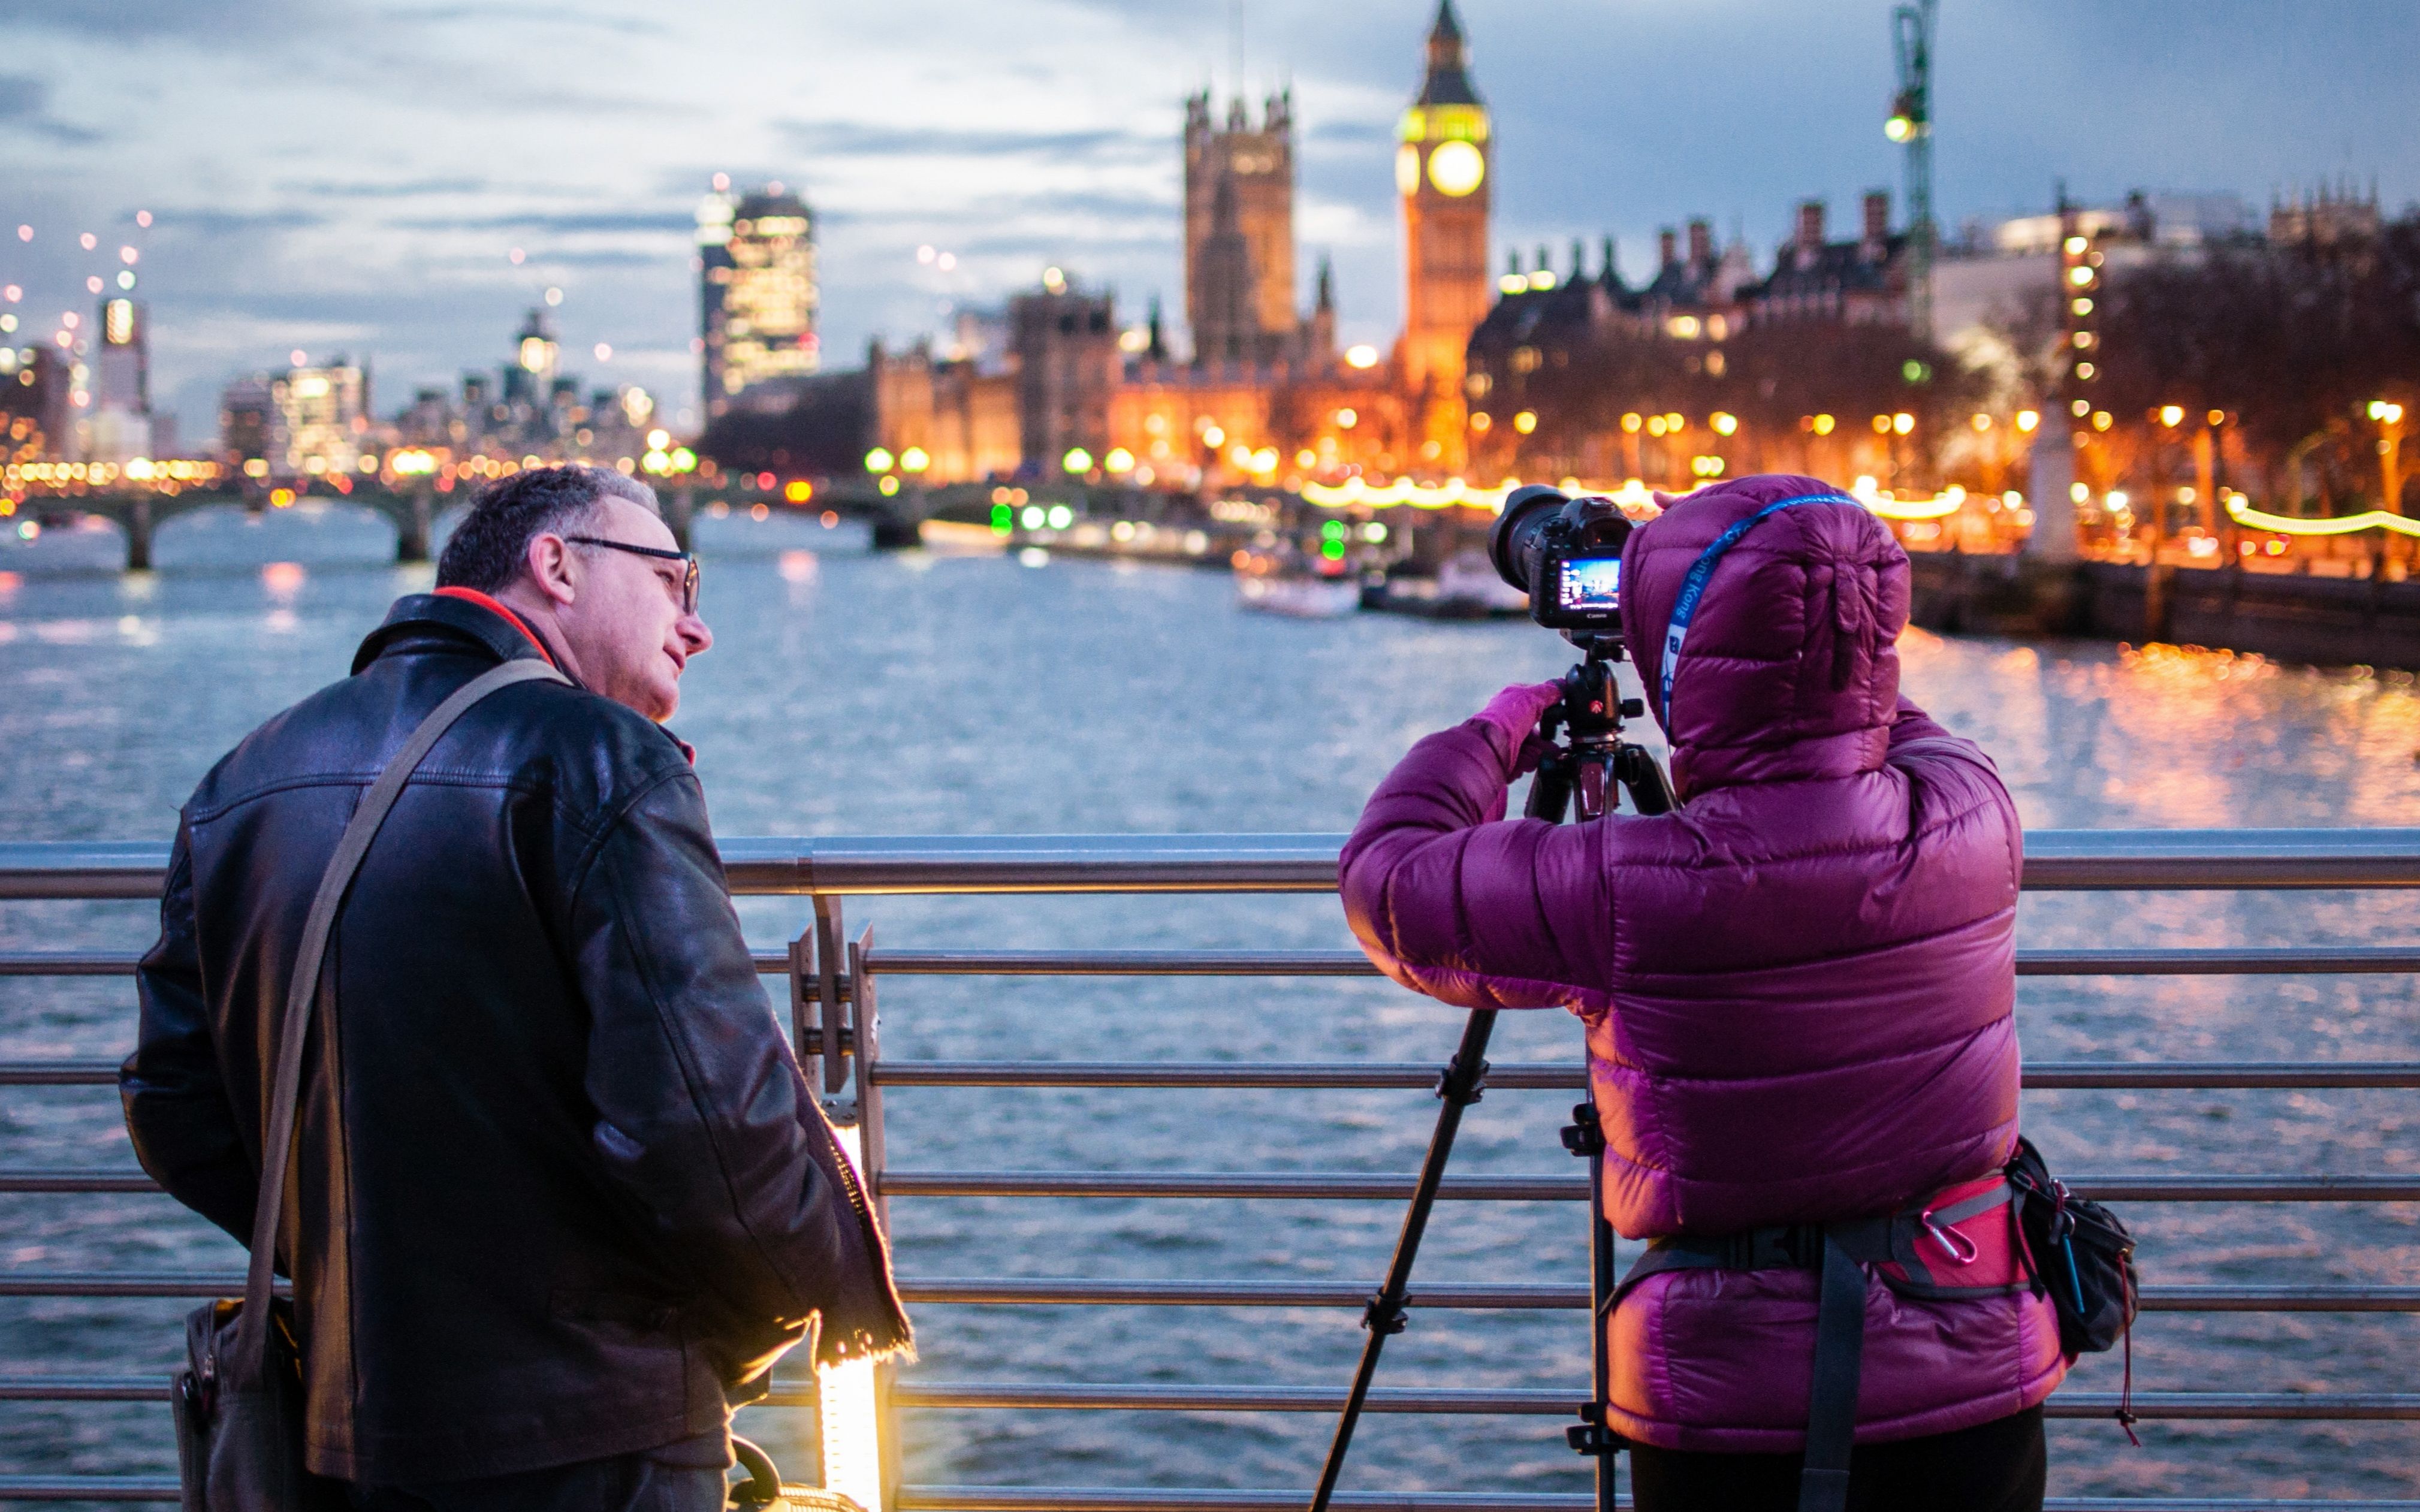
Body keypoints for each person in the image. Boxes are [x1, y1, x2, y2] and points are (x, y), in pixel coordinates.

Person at [122, 465, 911, 1511]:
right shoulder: (599, 756)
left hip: (345, 1424)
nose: (698, 626)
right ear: (556, 568)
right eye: (677, 582)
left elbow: (176, 1110)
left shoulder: (243, 780)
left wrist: (363, 1269)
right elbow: (710, 1122)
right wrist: (771, 1316)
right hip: (595, 1425)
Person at [1339, 474, 2063, 1512]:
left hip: (1735, 1410)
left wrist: (1498, 731)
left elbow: (1390, 883)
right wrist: (1795, 603)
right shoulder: (1970, 808)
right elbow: (1857, 709)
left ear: (1686, 655)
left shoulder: (1634, 883)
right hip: (1980, 1372)